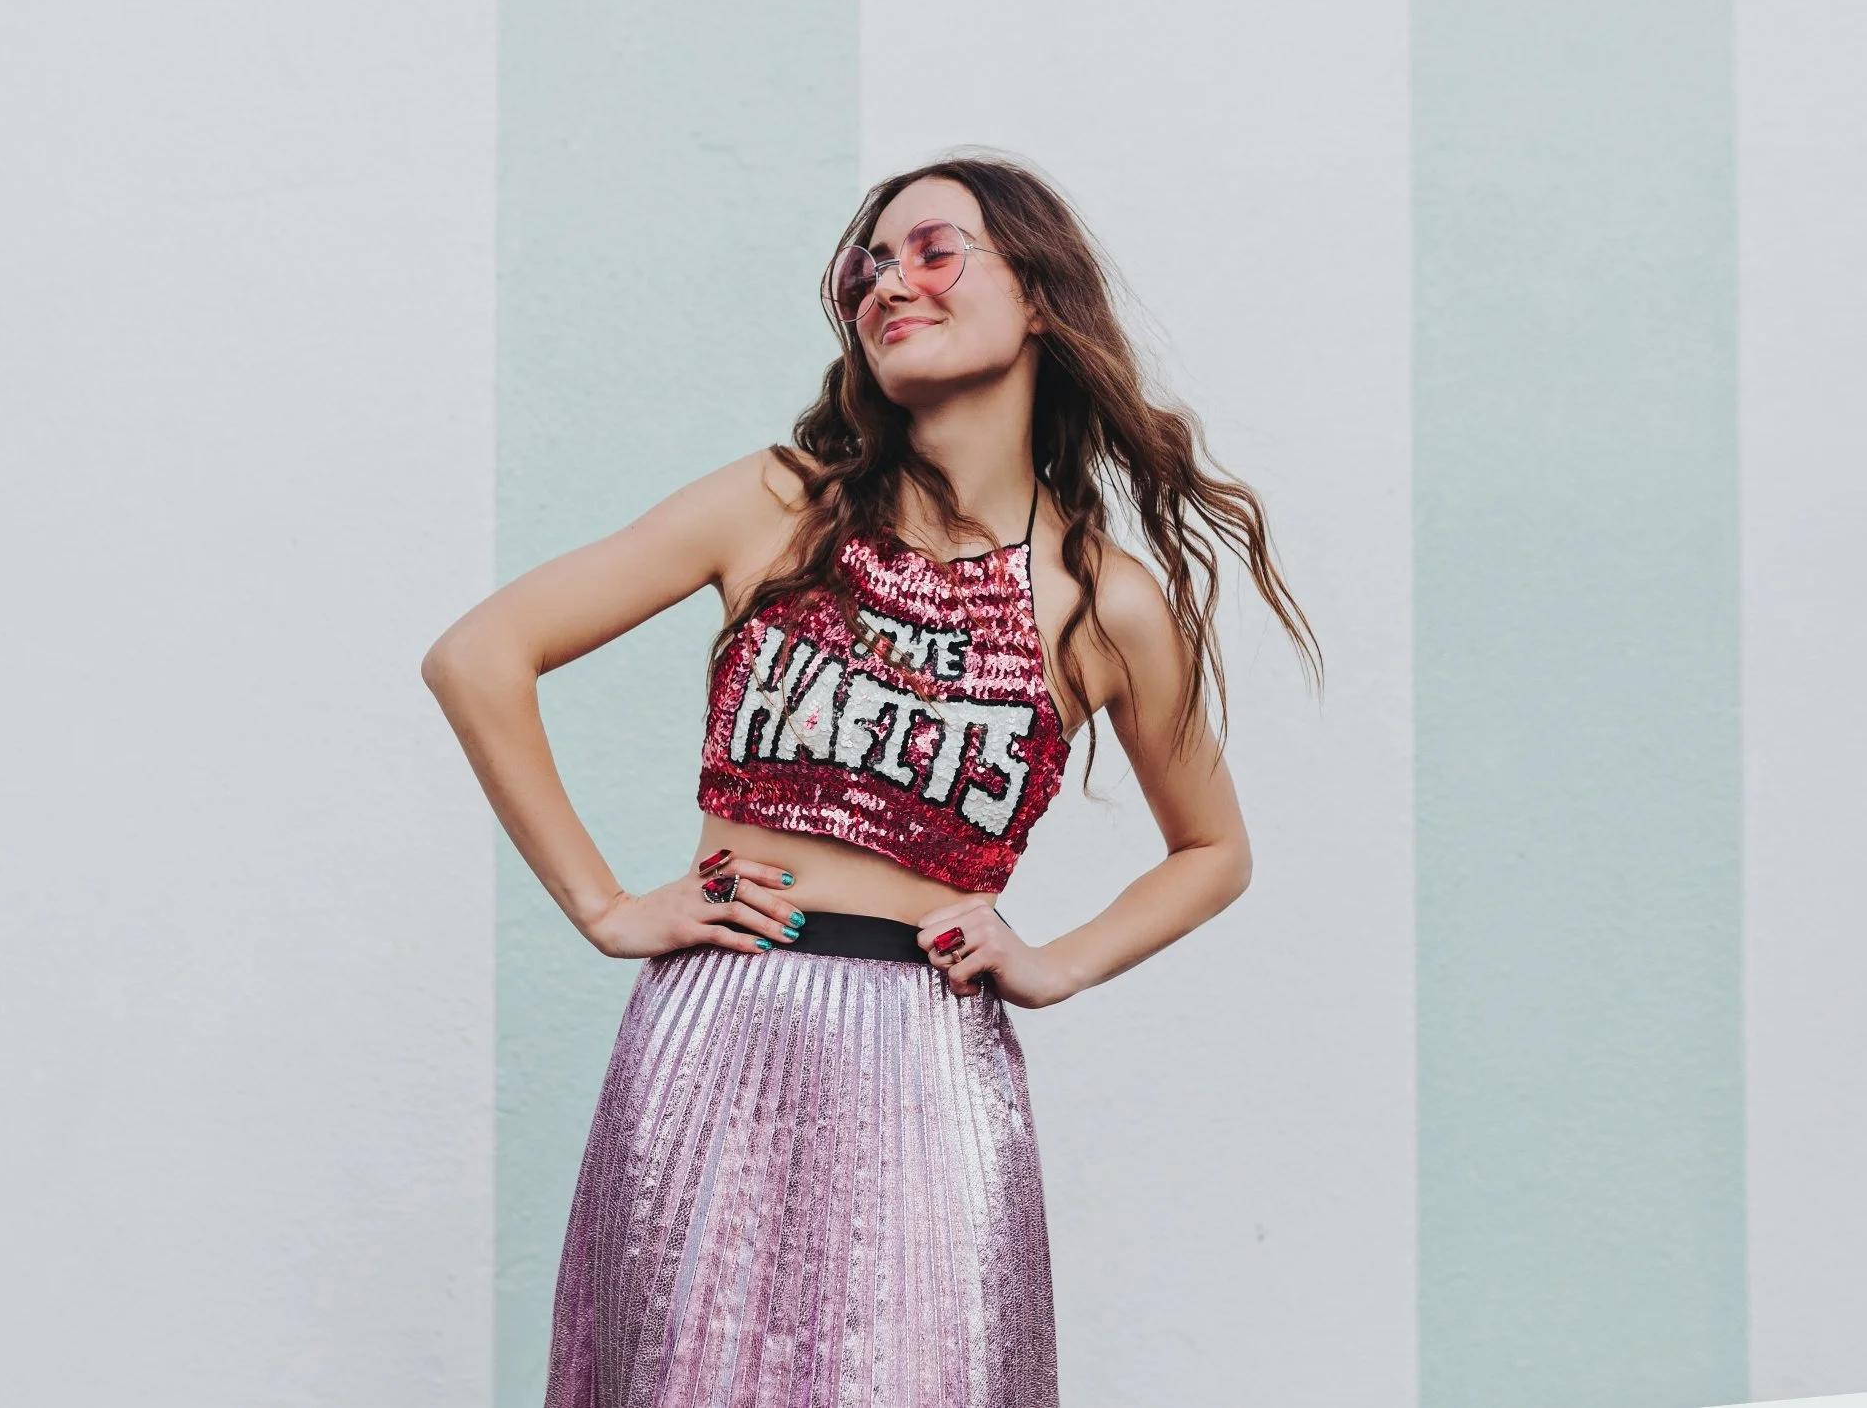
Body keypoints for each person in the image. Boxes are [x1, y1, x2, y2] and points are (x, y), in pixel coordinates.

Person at [423, 152, 1322, 1407]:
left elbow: (1211, 850)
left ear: (1039, 296)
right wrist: (605, 906)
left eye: (932, 251)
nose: (887, 282)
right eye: (866, 266)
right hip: (713, 1034)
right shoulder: (774, 505)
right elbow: (478, 655)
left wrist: (1052, 962)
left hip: (929, 1064)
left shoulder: (1105, 599)